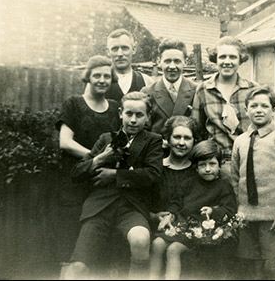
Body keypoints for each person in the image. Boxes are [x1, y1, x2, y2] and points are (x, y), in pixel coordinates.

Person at [63, 92, 164, 280]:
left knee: (141, 239)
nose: (133, 120)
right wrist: (100, 159)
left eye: (139, 115)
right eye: (129, 114)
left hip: (132, 207)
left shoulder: (153, 141)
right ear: (120, 113)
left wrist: (114, 175)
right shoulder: (106, 139)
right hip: (99, 208)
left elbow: (153, 174)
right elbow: (76, 173)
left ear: (148, 117)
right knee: (78, 268)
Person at [231, 85, 275, 280]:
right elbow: (235, 178)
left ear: (273, 110)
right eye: (253, 106)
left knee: (272, 268)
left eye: (264, 106)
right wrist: (240, 210)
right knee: (253, 270)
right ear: (246, 110)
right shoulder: (240, 141)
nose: (259, 110)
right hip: (247, 217)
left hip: (273, 218)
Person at [55, 55, 121, 268]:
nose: (102, 80)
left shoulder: (114, 107)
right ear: (88, 77)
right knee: (69, 236)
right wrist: (97, 158)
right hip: (73, 180)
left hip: (100, 182)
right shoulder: (73, 103)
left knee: (95, 239)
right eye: (97, 75)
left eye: (107, 76)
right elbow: (65, 143)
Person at [150, 140, 237, 280]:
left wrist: (213, 212)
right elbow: (176, 202)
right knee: (157, 244)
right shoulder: (190, 182)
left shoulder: (223, 186)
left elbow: (230, 209)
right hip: (182, 224)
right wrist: (170, 215)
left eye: (212, 164)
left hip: (201, 231)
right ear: (196, 168)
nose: (207, 169)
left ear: (220, 166)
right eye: (202, 165)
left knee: (173, 249)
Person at [191, 36, 259, 178]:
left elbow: (263, 126)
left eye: (232, 57)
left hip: (250, 159)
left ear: (240, 59)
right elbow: (197, 130)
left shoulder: (253, 89)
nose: (227, 62)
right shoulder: (204, 90)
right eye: (222, 57)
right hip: (217, 163)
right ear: (215, 59)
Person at [151, 115, 202, 222]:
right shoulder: (155, 169)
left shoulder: (198, 171)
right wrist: (153, 216)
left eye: (187, 138)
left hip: (186, 227)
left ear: (194, 141)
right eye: (177, 137)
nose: (181, 143)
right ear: (168, 139)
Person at [141, 39, 198, 135]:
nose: (172, 66)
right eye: (167, 61)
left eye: (177, 61)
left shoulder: (196, 91)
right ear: (159, 61)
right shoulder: (147, 92)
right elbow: (143, 129)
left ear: (185, 62)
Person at [105, 28, 154, 103]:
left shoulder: (146, 81)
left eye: (125, 48)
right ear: (108, 52)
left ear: (134, 50)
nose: (120, 54)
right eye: (115, 49)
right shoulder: (101, 80)